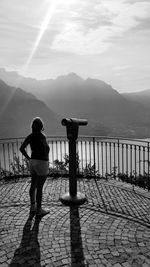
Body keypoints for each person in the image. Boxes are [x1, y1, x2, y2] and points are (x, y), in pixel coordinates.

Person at [20, 117, 50, 217]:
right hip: (42, 163)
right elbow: (46, 150)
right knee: (40, 187)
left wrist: (29, 158)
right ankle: (39, 210)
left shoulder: (30, 136)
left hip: (33, 162)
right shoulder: (42, 136)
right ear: (41, 126)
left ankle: (32, 207)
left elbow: (21, 148)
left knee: (33, 184)